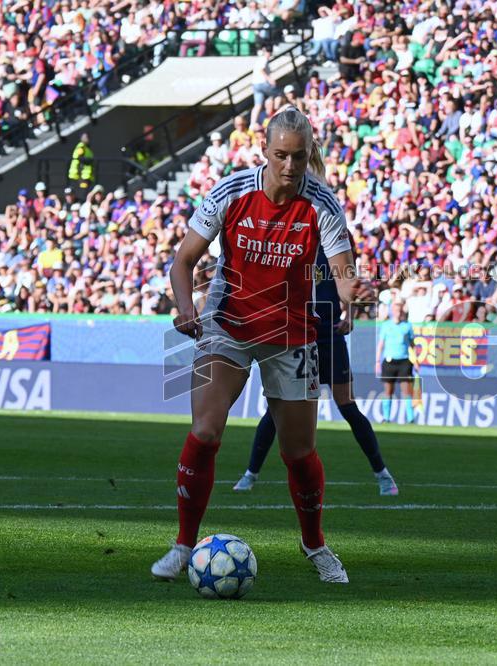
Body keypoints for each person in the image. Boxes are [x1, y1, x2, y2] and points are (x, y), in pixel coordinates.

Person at [151, 107, 356, 584]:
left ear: (309, 155)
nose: (290, 165)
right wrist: (185, 308)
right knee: (205, 431)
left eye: (299, 156)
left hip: (292, 333)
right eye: (281, 155)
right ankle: (184, 544)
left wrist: (354, 295)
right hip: (228, 325)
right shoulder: (230, 192)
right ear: (264, 150)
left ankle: (314, 544)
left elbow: (344, 275)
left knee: (299, 452)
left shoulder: (322, 204)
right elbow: (183, 262)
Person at [232, 244, 399, 496]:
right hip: (298, 337)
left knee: (348, 406)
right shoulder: (293, 242)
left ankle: (382, 474)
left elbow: (351, 282)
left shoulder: (334, 243)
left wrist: (350, 316)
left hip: (330, 336)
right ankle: (250, 474)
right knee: (277, 409)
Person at [375, 300, 417, 423]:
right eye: (396, 310)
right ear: (392, 312)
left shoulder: (407, 326)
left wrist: (416, 361)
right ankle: (386, 418)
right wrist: (377, 361)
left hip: (404, 361)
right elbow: (381, 344)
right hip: (389, 361)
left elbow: (412, 345)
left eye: (400, 310)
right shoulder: (386, 325)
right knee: (388, 390)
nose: (398, 313)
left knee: (407, 390)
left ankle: (410, 418)